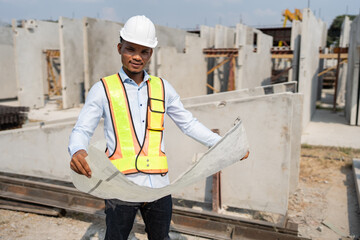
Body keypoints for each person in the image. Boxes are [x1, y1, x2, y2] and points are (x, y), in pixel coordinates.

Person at [68, 15, 248, 240]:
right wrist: (77, 149)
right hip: (120, 186)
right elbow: (82, 130)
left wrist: (226, 145)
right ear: (119, 48)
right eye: (130, 49)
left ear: (150, 53)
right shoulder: (103, 89)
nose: (137, 57)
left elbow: (188, 124)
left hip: (158, 187)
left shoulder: (163, 88)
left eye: (144, 51)